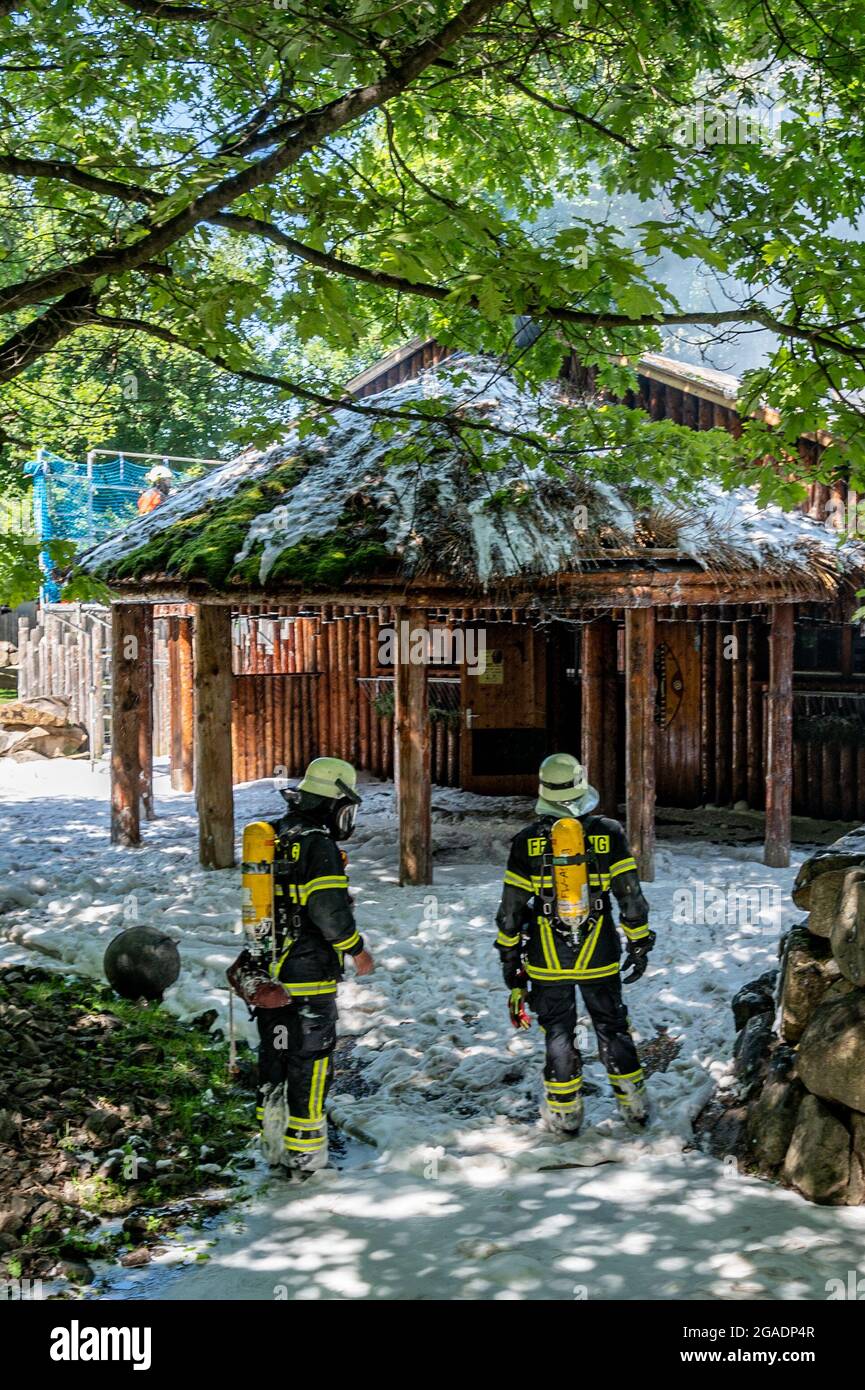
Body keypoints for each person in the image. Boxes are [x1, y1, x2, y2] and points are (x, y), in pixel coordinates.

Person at [494, 752, 655, 1135]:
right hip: (599, 953)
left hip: (547, 959)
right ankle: (635, 1107)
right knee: (612, 1024)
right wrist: (639, 942)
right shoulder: (609, 832)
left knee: (558, 1031)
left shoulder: (527, 840)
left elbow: (510, 911)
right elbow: (629, 895)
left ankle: (565, 1115)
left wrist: (508, 959)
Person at [228, 757, 374, 1175]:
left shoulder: (272, 835)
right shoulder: (317, 843)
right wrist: (356, 949)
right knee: (310, 1059)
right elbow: (328, 910)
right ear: (334, 803)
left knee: (275, 1054)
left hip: (269, 976)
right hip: (308, 978)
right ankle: (307, 1156)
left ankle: (272, 1146)